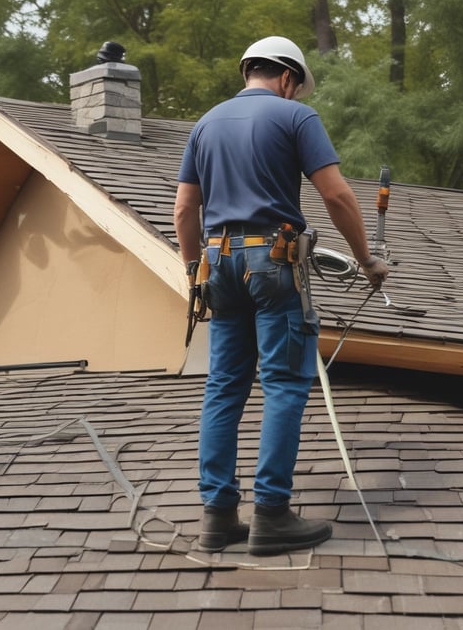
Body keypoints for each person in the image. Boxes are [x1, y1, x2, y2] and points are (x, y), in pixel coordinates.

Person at [174, 35, 388, 556]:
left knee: (224, 386)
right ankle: (271, 514)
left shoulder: (205, 124)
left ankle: (219, 516)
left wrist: (192, 272)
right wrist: (367, 260)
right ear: (288, 78)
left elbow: (185, 211)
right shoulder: (296, 118)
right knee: (286, 383)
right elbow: (336, 193)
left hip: (217, 262)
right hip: (272, 262)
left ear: (249, 70)